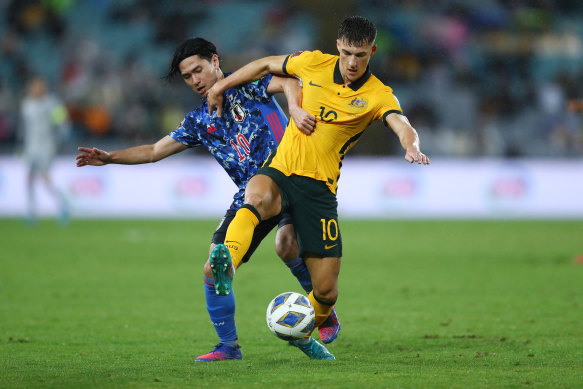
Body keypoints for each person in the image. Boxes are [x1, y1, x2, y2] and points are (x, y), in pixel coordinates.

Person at [75, 37, 340, 362]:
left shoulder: (248, 86)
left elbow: (288, 81)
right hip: (250, 195)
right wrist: (111, 157)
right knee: (213, 268)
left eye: (198, 70)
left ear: (215, 61)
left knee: (286, 244)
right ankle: (228, 347)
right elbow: (155, 151)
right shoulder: (199, 120)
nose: (195, 80)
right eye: (187, 77)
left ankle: (322, 311)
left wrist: (295, 109)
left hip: (291, 177)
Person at [206, 16, 430, 361]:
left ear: (372, 50)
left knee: (326, 291)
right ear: (337, 47)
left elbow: (401, 122)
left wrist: (410, 144)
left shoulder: (377, 94)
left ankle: (302, 334)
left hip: (319, 190)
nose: (352, 62)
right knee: (256, 196)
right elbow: (266, 64)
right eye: (346, 53)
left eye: (360, 55)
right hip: (281, 169)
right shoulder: (312, 62)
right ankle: (228, 263)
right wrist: (221, 86)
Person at [20, 76, 70, 226]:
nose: (35, 90)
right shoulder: (27, 104)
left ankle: (63, 206)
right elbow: (24, 127)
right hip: (30, 146)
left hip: (46, 146)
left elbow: (62, 123)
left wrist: (58, 141)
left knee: (45, 178)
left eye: (38, 87)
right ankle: (31, 211)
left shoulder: (52, 103)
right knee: (29, 178)